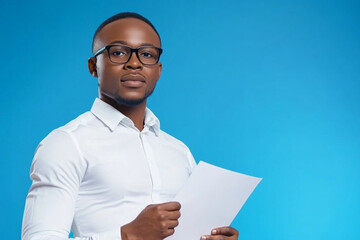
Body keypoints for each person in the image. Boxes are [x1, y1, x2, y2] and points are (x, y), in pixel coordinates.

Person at [22, 12, 239, 240]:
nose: (134, 63)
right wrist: (127, 235)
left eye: (146, 54)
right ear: (93, 66)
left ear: (158, 70)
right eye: (118, 52)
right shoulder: (66, 144)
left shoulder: (179, 152)